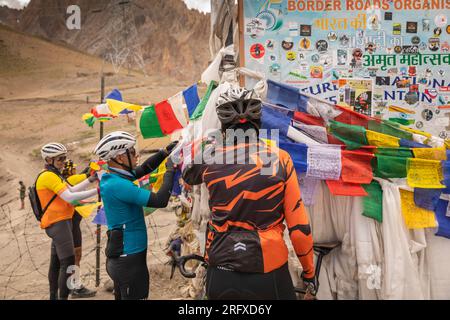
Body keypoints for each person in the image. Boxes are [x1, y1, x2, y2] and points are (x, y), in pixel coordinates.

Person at [182, 87, 316, 300]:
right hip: (269, 270)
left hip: (222, 268)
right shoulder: (279, 158)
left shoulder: (208, 157)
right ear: (259, 120)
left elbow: (187, 175)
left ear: (223, 123)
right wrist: (309, 272)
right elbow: (298, 227)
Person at [94, 131, 178, 300]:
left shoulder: (114, 177)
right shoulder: (118, 185)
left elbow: (143, 169)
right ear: (119, 157)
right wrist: (170, 170)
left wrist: (164, 153)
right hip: (129, 261)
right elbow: (160, 200)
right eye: (132, 152)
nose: (136, 155)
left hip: (124, 257)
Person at [36, 143, 99, 300]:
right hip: (59, 222)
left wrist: (91, 180)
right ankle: (64, 295)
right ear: (49, 159)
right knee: (68, 263)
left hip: (62, 222)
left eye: (65, 158)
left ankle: (54, 296)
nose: (64, 162)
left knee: (57, 262)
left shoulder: (54, 174)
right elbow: (69, 197)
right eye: (60, 159)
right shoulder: (48, 176)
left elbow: (71, 190)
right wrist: (98, 190)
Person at [61, 159, 97, 299]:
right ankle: (74, 286)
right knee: (75, 257)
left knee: (69, 258)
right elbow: (87, 174)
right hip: (72, 225)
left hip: (70, 224)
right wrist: (95, 165)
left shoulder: (66, 181)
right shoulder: (72, 179)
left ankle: (70, 286)